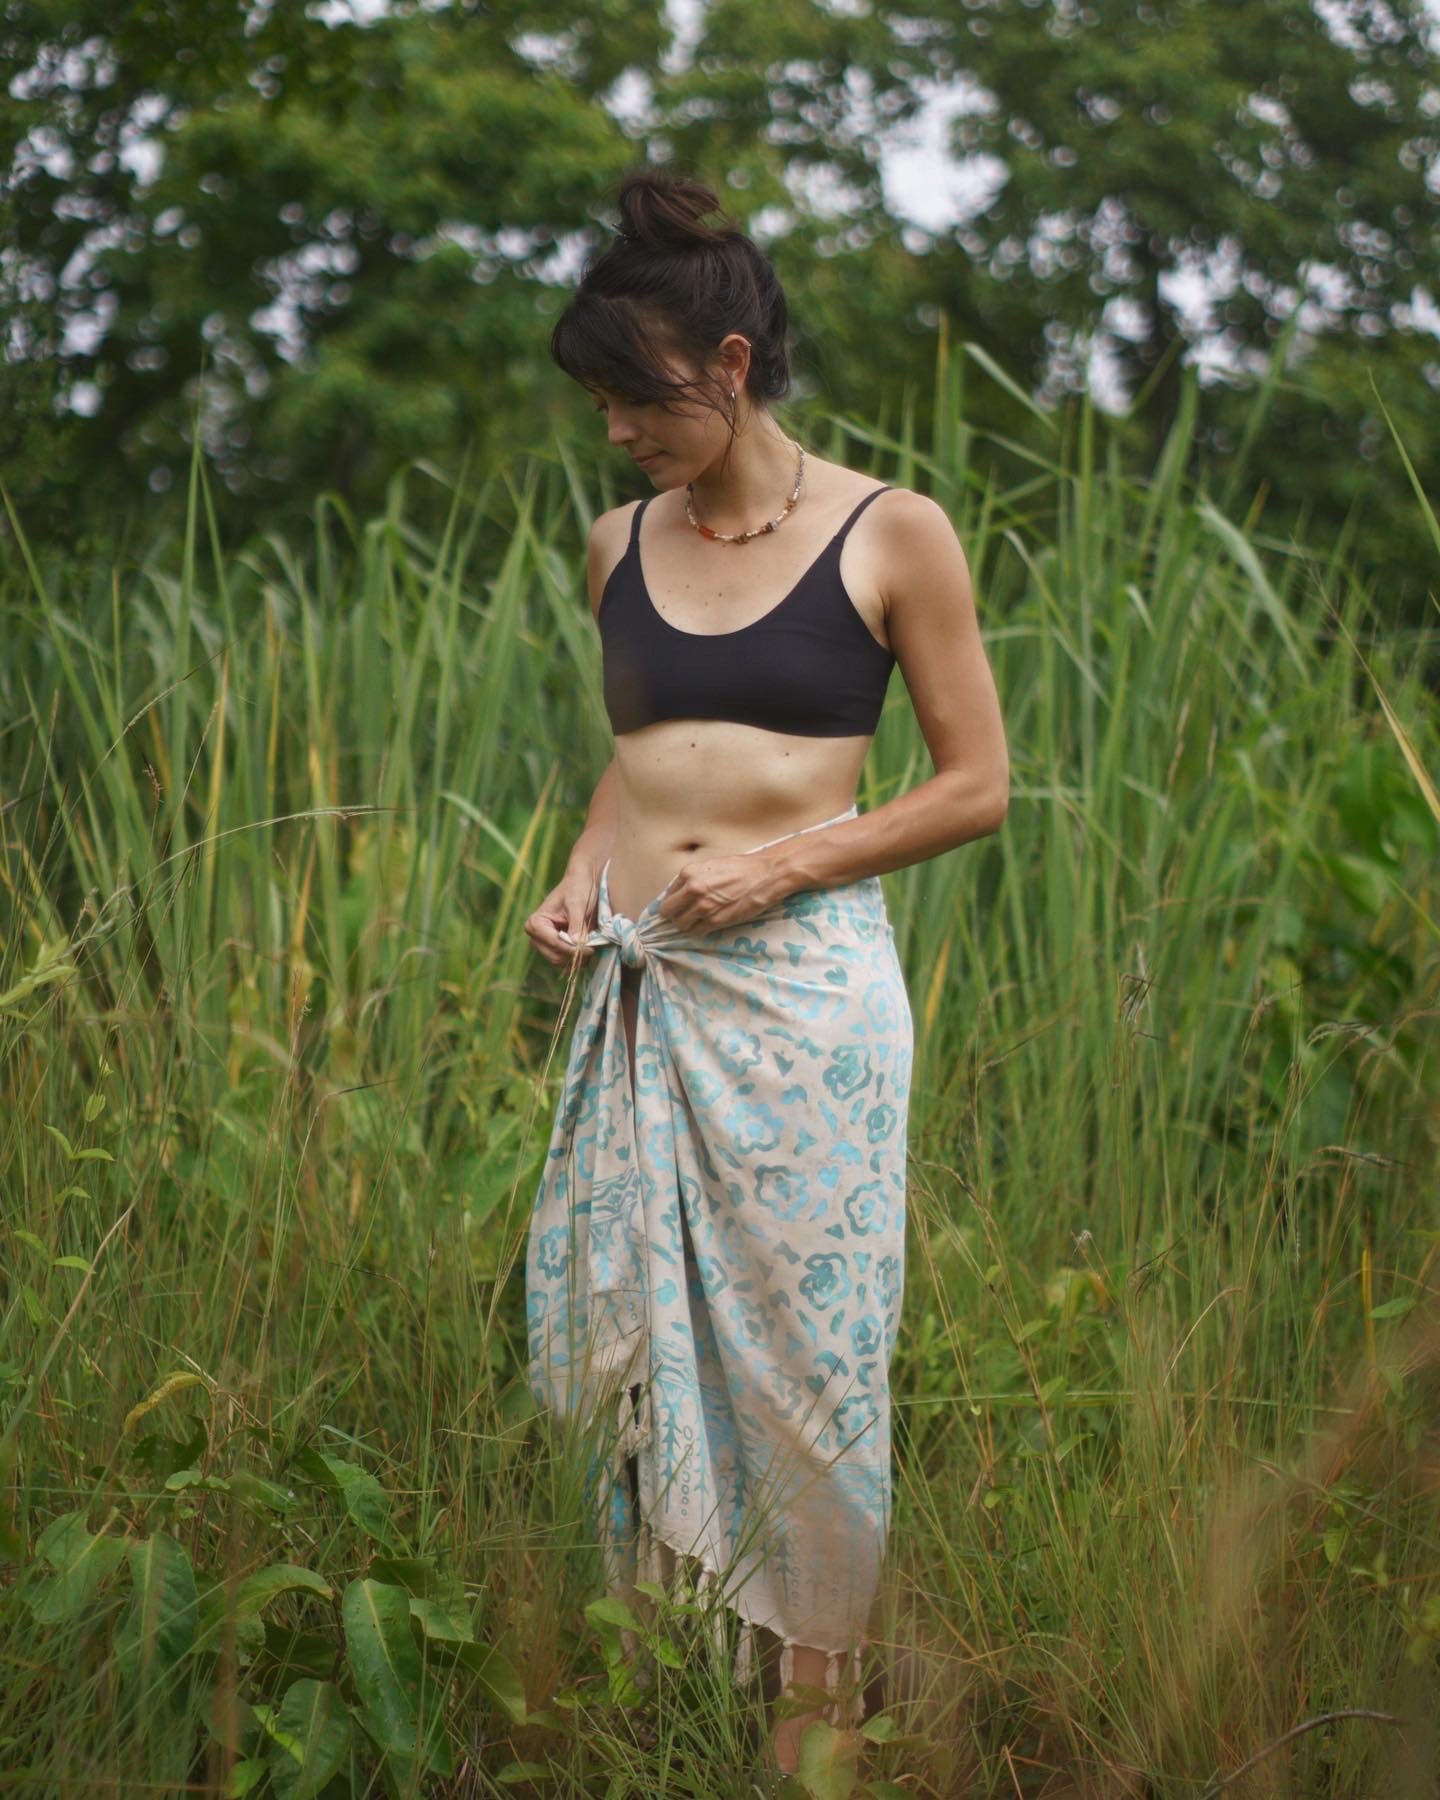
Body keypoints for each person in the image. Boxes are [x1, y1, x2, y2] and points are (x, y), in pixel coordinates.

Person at [523, 164, 1008, 1780]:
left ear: (726, 370)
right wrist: (584, 875)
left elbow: (972, 785)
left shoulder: (892, 533)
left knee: (807, 1354)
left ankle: (814, 1712)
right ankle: (649, 1667)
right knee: (618, 1348)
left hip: (805, 1007)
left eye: (636, 398)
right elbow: (641, 757)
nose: (616, 434)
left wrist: (788, 861)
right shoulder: (615, 545)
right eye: (598, 404)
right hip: (644, 993)